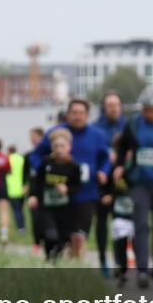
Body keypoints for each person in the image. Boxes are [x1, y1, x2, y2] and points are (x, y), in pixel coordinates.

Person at [29, 99, 111, 260]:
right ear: (67, 114)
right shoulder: (56, 133)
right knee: (60, 235)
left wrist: (103, 172)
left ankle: (74, 264)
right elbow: (35, 155)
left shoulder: (98, 135)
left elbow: (105, 158)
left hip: (86, 193)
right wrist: (45, 171)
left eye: (81, 113)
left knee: (78, 237)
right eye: (74, 113)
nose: (77, 116)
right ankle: (57, 261)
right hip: (59, 196)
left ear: (87, 115)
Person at [114, 89, 153, 289]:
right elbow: (122, 146)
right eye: (145, 110)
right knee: (140, 224)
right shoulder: (134, 123)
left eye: (152, 110)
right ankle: (142, 270)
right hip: (140, 182)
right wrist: (120, 165)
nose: (148, 113)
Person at [28, 128, 84, 260]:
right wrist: (33, 195)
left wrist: (67, 189)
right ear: (52, 147)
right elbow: (37, 181)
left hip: (65, 208)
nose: (59, 149)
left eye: (62, 146)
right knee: (50, 235)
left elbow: (77, 186)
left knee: (63, 237)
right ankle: (49, 258)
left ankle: (56, 258)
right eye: (56, 146)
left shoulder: (74, 166)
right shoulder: (46, 162)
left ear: (69, 147)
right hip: (47, 207)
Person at [93, 93, 126, 276]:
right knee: (102, 221)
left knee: (121, 221)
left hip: (121, 181)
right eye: (110, 105)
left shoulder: (127, 126)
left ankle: (120, 261)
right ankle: (102, 258)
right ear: (104, 107)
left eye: (116, 104)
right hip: (102, 180)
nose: (113, 108)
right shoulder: (96, 127)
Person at [24, 127, 45, 253]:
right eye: (31, 137)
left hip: (46, 191)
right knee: (35, 218)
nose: (32, 139)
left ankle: (48, 240)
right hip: (33, 191)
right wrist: (24, 185)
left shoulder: (47, 155)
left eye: (34, 136)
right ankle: (36, 242)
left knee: (46, 217)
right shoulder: (29, 155)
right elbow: (25, 173)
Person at [6, 145, 26, 235]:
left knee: (16, 210)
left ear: (9, 151)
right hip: (22, 188)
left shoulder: (8, 159)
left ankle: (20, 228)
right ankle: (23, 226)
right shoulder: (22, 159)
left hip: (12, 189)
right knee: (21, 209)